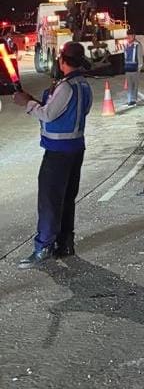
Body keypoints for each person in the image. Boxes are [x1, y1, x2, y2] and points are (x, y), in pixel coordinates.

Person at [12, 42, 93, 268]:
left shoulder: (66, 87)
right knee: (67, 198)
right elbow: (68, 113)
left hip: (58, 153)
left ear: (62, 61)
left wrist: (26, 103)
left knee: (49, 202)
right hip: (76, 149)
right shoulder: (83, 85)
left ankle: (43, 247)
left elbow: (48, 116)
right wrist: (36, 100)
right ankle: (65, 244)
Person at [124, 30, 144, 107]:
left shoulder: (137, 45)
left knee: (134, 85)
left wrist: (139, 68)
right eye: (128, 35)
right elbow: (125, 57)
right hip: (128, 68)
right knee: (129, 85)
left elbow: (140, 58)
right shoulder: (126, 45)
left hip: (135, 69)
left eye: (130, 35)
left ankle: (133, 100)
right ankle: (129, 100)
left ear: (134, 36)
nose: (129, 37)